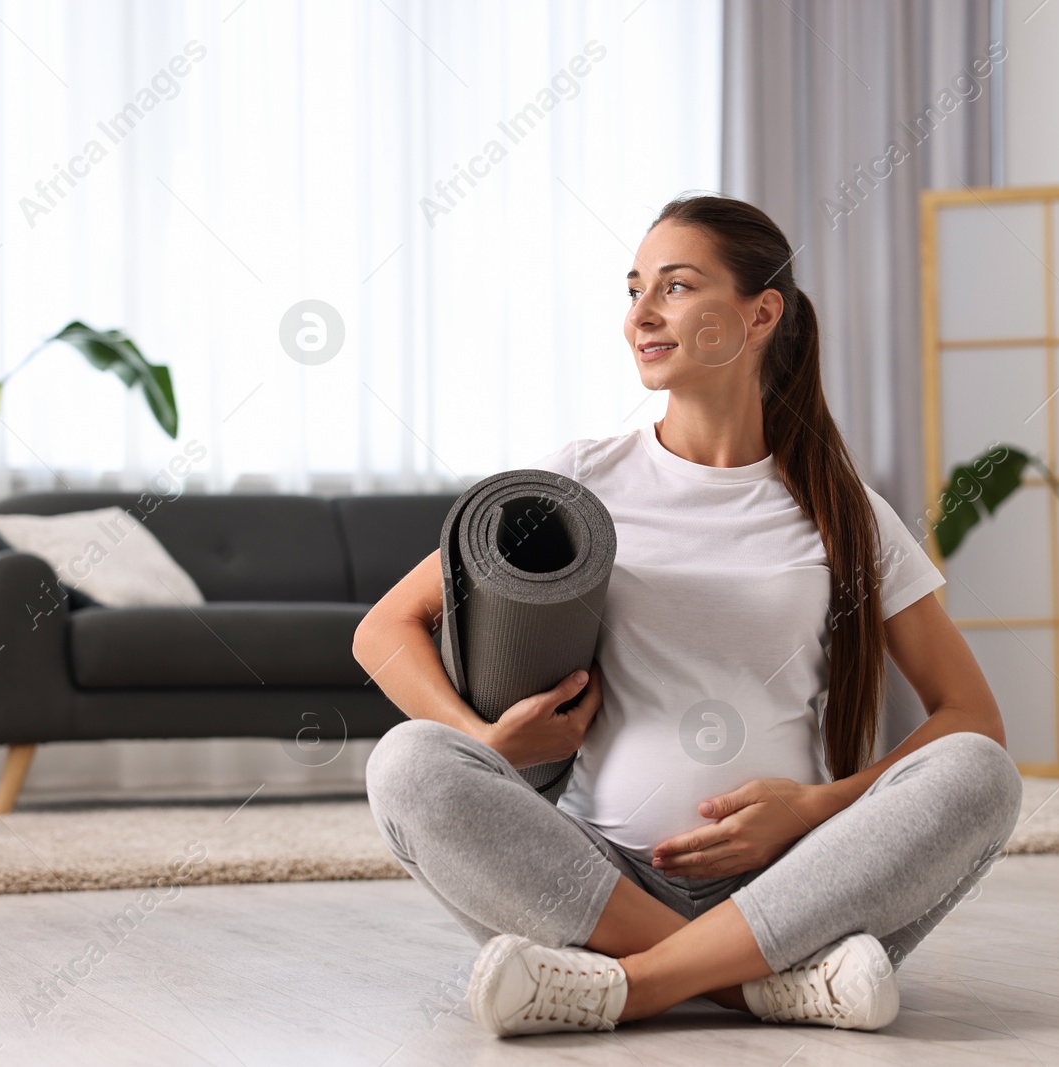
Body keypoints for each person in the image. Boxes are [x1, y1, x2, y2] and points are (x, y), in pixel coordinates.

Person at [353, 194, 1022, 1037]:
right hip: (597, 876)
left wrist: (815, 808)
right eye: (634, 289)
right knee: (411, 762)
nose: (640, 314)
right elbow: (384, 628)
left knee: (980, 773)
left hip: (794, 879)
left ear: (760, 312)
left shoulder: (847, 512)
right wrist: (482, 743)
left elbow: (973, 717)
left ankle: (628, 987)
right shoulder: (581, 480)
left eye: (674, 286)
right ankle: (759, 983)